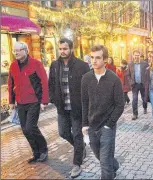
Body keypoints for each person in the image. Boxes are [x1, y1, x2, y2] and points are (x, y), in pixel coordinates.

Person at [81, 45, 124, 179]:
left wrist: (109, 124)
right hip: (92, 125)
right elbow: (84, 103)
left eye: (98, 58)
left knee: (104, 163)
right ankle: (114, 166)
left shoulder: (114, 79)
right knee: (100, 155)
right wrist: (84, 124)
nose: (94, 61)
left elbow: (119, 105)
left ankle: (109, 171)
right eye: (92, 57)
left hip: (107, 127)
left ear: (105, 59)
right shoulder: (86, 78)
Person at [48, 38, 90, 178]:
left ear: (71, 49)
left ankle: (76, 164)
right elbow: (51, 84)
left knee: (78, 135)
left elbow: (88, 87)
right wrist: (53, 99)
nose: (62, 51)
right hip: (62, 108)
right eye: (60, 49)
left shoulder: (82, 65)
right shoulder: (54, 65)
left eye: (65, 48)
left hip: (77, 108)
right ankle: (80, 147)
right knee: (63, 132)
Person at [8, 41, 49, 163]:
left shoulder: (36, 64)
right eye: (14, 51)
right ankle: (36, 153)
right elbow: (11, 84)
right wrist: (11, 101)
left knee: (30, 127)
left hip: (34, 101)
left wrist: (44, 101)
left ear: (26, 51)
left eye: (19, 50)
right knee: (25, 130)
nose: (16, 52)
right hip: (20, 102)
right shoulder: (13, 66)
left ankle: (43, 149)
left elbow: (44, 82)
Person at [128, 50, 149, 120]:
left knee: (144, 98)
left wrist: (147, 82)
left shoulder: (145, 63)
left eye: (138, 55)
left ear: (140, 56)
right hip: (135, 84)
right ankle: (135, 114)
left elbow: (148, 73)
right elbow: (128, 75)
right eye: (135, 55)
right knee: (134, 99)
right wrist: (131, 82)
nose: (136, 56)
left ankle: (145, 107)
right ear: (133, 56)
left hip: (143, 84)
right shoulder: (130, 64)